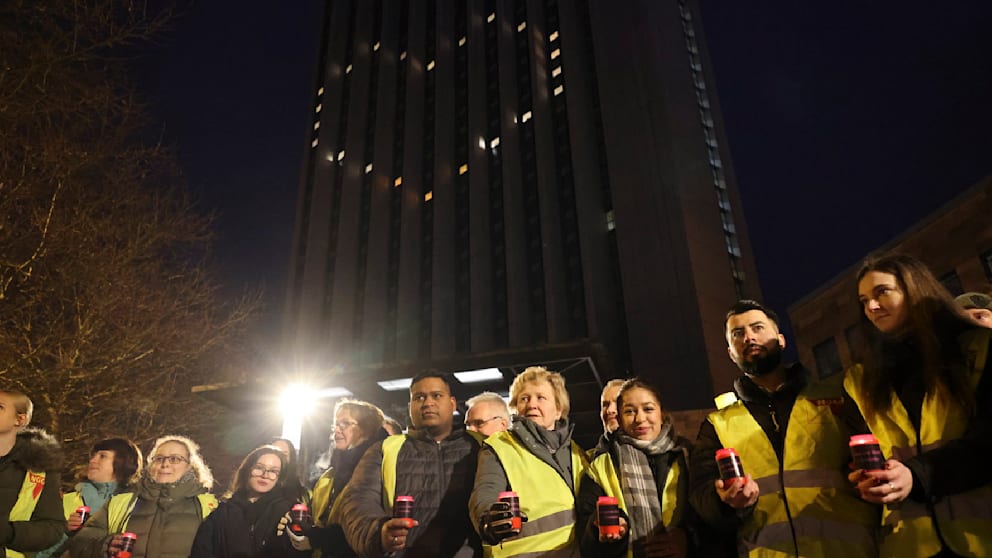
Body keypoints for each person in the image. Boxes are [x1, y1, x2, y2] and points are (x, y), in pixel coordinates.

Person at [688, 300, 878, 558]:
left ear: (781, 340)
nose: (749, 337)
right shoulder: (717, 424)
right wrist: (725, 501)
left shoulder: (838, 396)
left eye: (757, 328)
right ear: (731, 353)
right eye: (738, 334)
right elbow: (701, 494)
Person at [845, 253, 992, 557]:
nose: (871, 307)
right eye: (863, 300)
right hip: (910, 545)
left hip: (980, 537)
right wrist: (863, 480)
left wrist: (917, 475)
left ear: (914, 288)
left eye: (882, 292)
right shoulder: (862, 381)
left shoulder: (977, 347)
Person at [332, 371, 481, 557]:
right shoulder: (386, 449)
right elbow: (357, 502)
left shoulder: (480, 446)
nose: (428, 403)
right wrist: (379, 532)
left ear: (452, 404)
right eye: (419, 397)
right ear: (410, 407)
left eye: (436, 395)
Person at [469, 366, 588, 558]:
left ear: (558, 410)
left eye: (541, 398)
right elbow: (485, 491)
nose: (532, 404)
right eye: (524, 398)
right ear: (515, 408)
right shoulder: (499, 446)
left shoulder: (576, 453)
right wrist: (488, 519)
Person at [578, 379, 694, 558]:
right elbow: (586, 539)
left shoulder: (687, 455)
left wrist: (689, 539)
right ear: (620, 418)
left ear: (662, 413)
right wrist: (604, 532)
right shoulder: (601, 466)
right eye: (629, 411)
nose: (640, 419)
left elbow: (710, 516)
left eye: (648, 409)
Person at [68, 434, 218, 558]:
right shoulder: (122, 502)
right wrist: (106, 546)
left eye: (175, 459)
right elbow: (81, 543)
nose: (165, 464)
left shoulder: (209, 507)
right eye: (159, 458)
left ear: (189, 467)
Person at [285, 399, 388, 556]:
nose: (336, 431)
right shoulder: (329, 475)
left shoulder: (377, 472)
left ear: (366, 429)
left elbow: (372, 529)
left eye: (345, 424)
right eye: (336, 425)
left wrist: (320, 538)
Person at [190, 445, 306, 557]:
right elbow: (202, 551)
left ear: (279, 477)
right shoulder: (222, 513)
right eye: (259, 468)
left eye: (273, 471)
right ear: (247, 469)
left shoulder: (287, 512)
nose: (265, 475)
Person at [36, 437, 142, 558]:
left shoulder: (133, 504)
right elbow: (42, 551)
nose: (92, 460)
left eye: (102, 456)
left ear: (122, 462)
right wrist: (65, 533)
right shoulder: (67, 499)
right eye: (93, 456)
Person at [0, 389, 64, 558]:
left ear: (20, 419)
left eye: (0, 407)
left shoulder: (39, 469)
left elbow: (53, 528)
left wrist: (7, 532)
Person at [590, 379, 626, 457]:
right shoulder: (587, 461)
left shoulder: (652, 453)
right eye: (605, 405)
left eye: (617, 403)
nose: (610, 410)